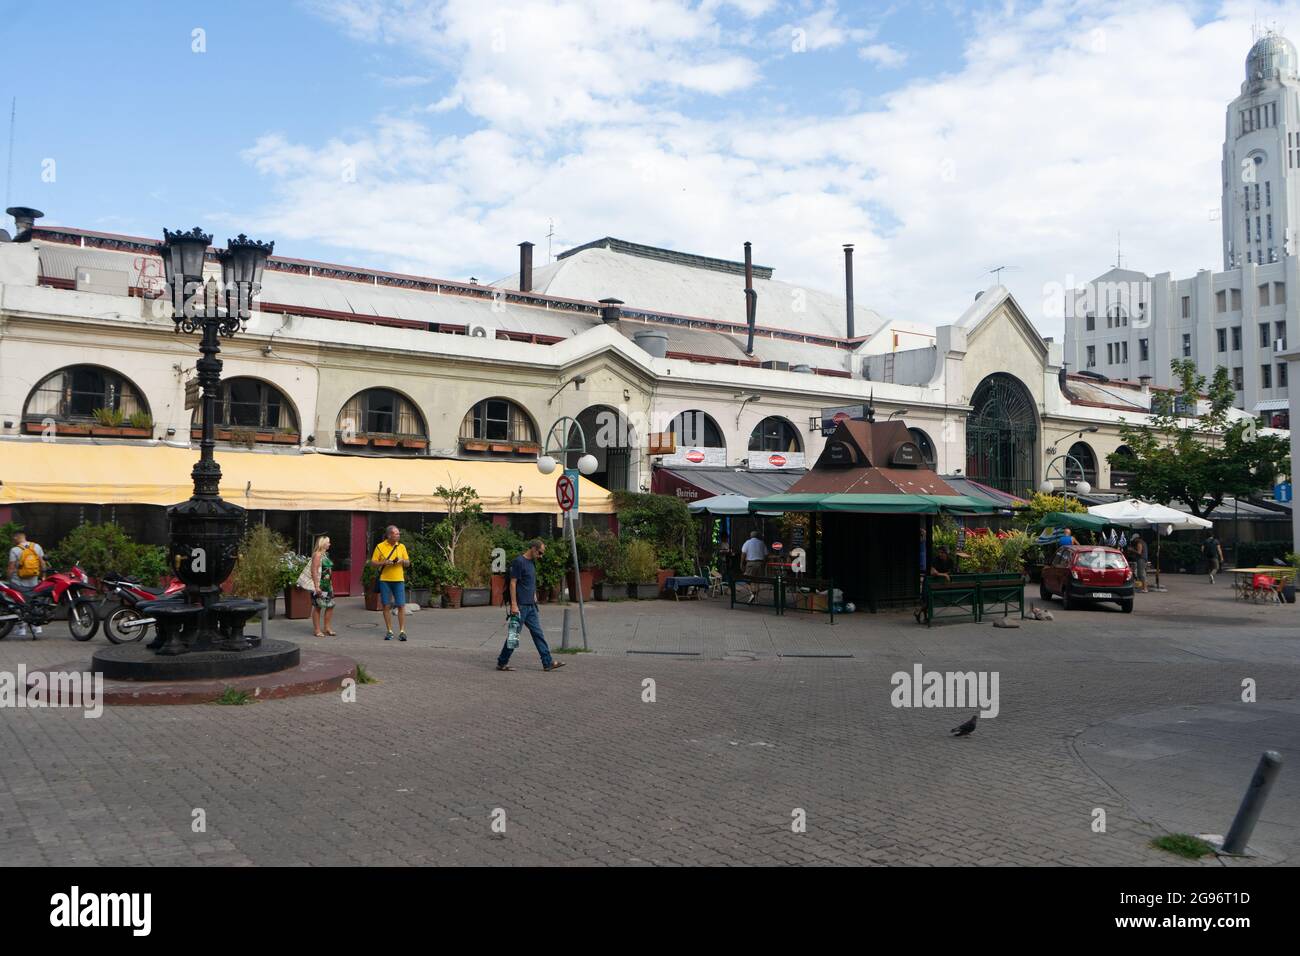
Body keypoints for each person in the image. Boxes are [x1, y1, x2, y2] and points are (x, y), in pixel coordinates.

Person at [497, 538, 564, 672]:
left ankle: (547, 662)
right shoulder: (519, 562)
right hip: (520, 606)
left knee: (538, 634)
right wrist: (514, 605)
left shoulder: (532, 562)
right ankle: (502, 662)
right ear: (533, 548)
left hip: (531, 606)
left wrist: (534, 596)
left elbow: (529, 581)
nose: (541, 556)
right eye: (540, 552)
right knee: (514, 636)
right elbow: (513, 583)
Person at [370, 525, 410, 642]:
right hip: (385, 580)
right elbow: (372, 563)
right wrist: (384, 562)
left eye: (398, 533)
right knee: (386, 605)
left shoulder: (401, 546)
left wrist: (403, 561)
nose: (398, 535)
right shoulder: (380, 546)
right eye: (396, 534)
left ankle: (402, 631)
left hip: (399, 580)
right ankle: (389, 630)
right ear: (389, 535)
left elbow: (408, 562)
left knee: (401, 605)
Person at [7, 529, 47, 637]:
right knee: (35, 601)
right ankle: (37, 627)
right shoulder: (36, 547)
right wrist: (43, 576)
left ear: (16, 537)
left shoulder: (14, 550)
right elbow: (43, 563)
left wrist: (9, 579)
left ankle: (21, 628)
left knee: (17, 603)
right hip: (33, 581)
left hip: (18, 582)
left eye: (13, 538)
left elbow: (11, 567)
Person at [309, 535, 336, 638]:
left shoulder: (326, 555)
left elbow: (328, 570)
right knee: (318, 606)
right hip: (319, 585)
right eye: (328, 542)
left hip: (327, 585)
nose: (329, 544)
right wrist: (316, 586)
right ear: (323, 543)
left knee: (330, 605)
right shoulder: (317, 555)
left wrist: (331, 585)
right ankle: (317, 630)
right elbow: (314, 571)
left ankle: (327, 627)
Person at [740, 530, 768, 605]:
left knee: (746, 578)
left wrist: (741, 563)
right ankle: (756, 600)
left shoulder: (747, 542)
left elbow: (743, 553)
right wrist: (764, 564)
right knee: (757, 581)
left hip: (750, 563)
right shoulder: (762, 543)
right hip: (760, 563)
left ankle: (752, 593)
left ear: (750, 536)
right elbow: (766, 555)